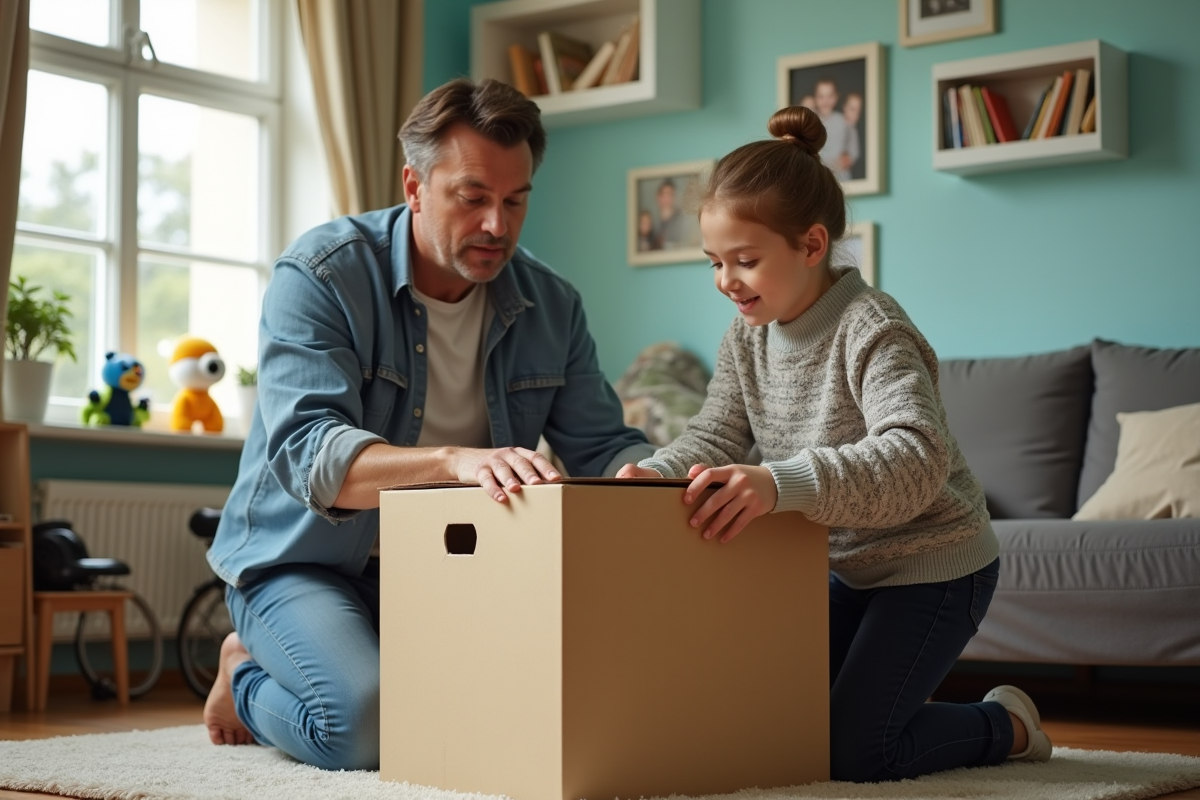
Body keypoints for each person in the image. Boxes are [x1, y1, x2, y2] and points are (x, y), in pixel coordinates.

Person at [202, 77, 655, 770]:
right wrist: (455, 463)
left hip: (454, 568)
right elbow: (310, 455)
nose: (497, 225)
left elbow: (601, 444)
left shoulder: (553, 304)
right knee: (365, 726)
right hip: (302, 563)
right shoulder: (321, 275)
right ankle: (243, 673)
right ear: (414, 187)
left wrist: (650, 476)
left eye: (515, 201)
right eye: (473, 198)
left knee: (548, 712)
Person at [616, 106, 1052, 782]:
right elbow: (716, 433)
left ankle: (1007, 724)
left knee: (856, 753)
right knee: (780, 726)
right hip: (839, 569)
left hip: (934, 566)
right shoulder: (747, 337)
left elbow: (915, 456)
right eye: (715, 262)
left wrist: (779, 482)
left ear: (812, 245)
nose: (726, 280)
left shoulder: (872, 327)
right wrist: (658, 472)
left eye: (745, 260)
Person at [811, 77, 856, 181]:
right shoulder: (812, 122)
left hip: (840, 174)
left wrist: (849, 158)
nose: (825, 101)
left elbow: (853, 146)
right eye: (821, 97)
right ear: (815, 98)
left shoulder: (843, 121)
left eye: (830, 96)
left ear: (836, 97)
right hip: (818, 173)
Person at [653, 178, 685, 249]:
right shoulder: (652, 222)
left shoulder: (682, 221)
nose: (667, 199)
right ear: (658, 197)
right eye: (664, 195)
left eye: (670, 195)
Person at [839, 91, 863, 179]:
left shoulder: (854, 131)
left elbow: (852, 157)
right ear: (844, 107)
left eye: (858, 111)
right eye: (852, 109)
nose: (855, 114)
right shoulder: (837, 124)